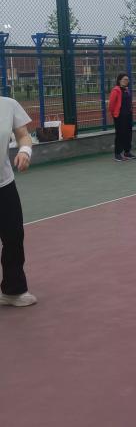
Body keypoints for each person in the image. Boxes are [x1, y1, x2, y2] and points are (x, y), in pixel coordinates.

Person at [0, 96, 35, 307]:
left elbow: (23, 135)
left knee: (13, 236)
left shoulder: (8, 105)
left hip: (4, 184)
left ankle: (13, 290)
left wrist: (25, 151)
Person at [109, 72, 135, 161]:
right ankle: (117, 154)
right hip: (119, 116)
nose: (126, 81)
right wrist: (114, 114)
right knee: (120, 134)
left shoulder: (127, 90)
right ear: (119, 80)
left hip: (128, 115)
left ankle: (127, 152)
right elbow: (111, 105)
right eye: (124, 79)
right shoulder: (115, 90)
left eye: (127, 80)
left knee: (128, 133)